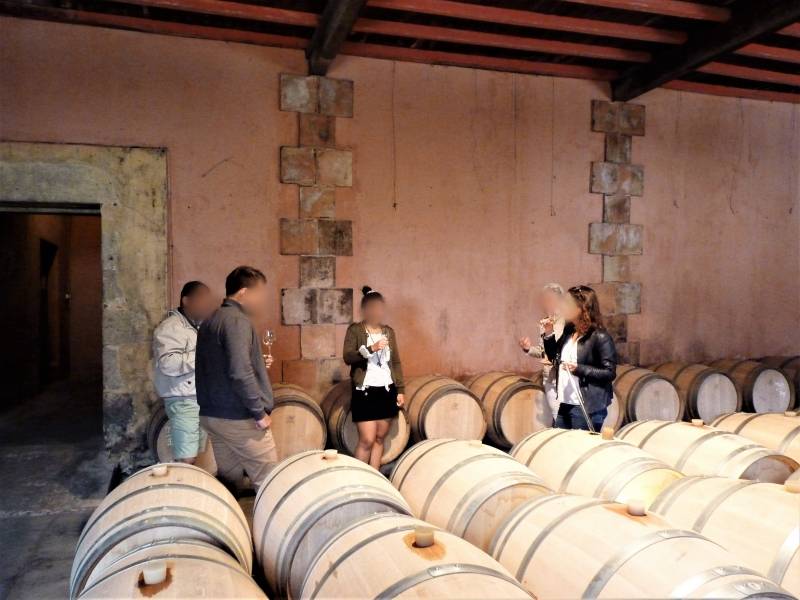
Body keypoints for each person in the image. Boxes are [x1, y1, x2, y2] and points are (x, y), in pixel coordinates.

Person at [196, 266, 276, 489]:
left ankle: (230, 512)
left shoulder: (211, 320)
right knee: (270, 482)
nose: (262, 299)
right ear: (243, 292)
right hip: (238, 417)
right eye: (259, 293)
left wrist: (257, 365)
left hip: (212, 415)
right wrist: (258, 412)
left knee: (230, 481)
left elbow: (219, 366)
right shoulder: (238, 321)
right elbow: (240, 373)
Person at [152, 281, 218, 472]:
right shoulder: (170, 328)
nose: (206, 306)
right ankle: (181, 486)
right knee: (187, 457)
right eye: (201, 300)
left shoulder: (196, 326)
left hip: (198, 398)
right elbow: (168, 364)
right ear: (186, 301)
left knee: (197, 453)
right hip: (183, 400)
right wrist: (201, 355)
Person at [342, 286, 405, 469]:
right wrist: (372, 348)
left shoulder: (389, 332)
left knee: (379, 438)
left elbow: (396, 362)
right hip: (365, 391)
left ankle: (375, 478)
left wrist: (400, 390)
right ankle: (359, 479)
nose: (377, 311)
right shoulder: (355, 330)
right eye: (373, 307)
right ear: (365, 310)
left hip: (387, 390)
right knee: (367, 440)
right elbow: (348, 357)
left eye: (379, 308)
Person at [543, 285, 616, 431]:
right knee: (561, 442)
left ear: (581, 308)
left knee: (580, 446)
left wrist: (579, 369)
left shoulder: (600, 336)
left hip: (586, 406)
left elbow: (609, 372)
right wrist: (549, 333)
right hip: (566, 403)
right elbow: (555, 358)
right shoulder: (569, 330)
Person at [519, 283, 566, 421]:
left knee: (568, 419)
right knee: (557, 417)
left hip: (566, 377)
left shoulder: (568, 322)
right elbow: (543, 351)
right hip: (550, 378)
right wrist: (528, 348)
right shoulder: (544, 322)